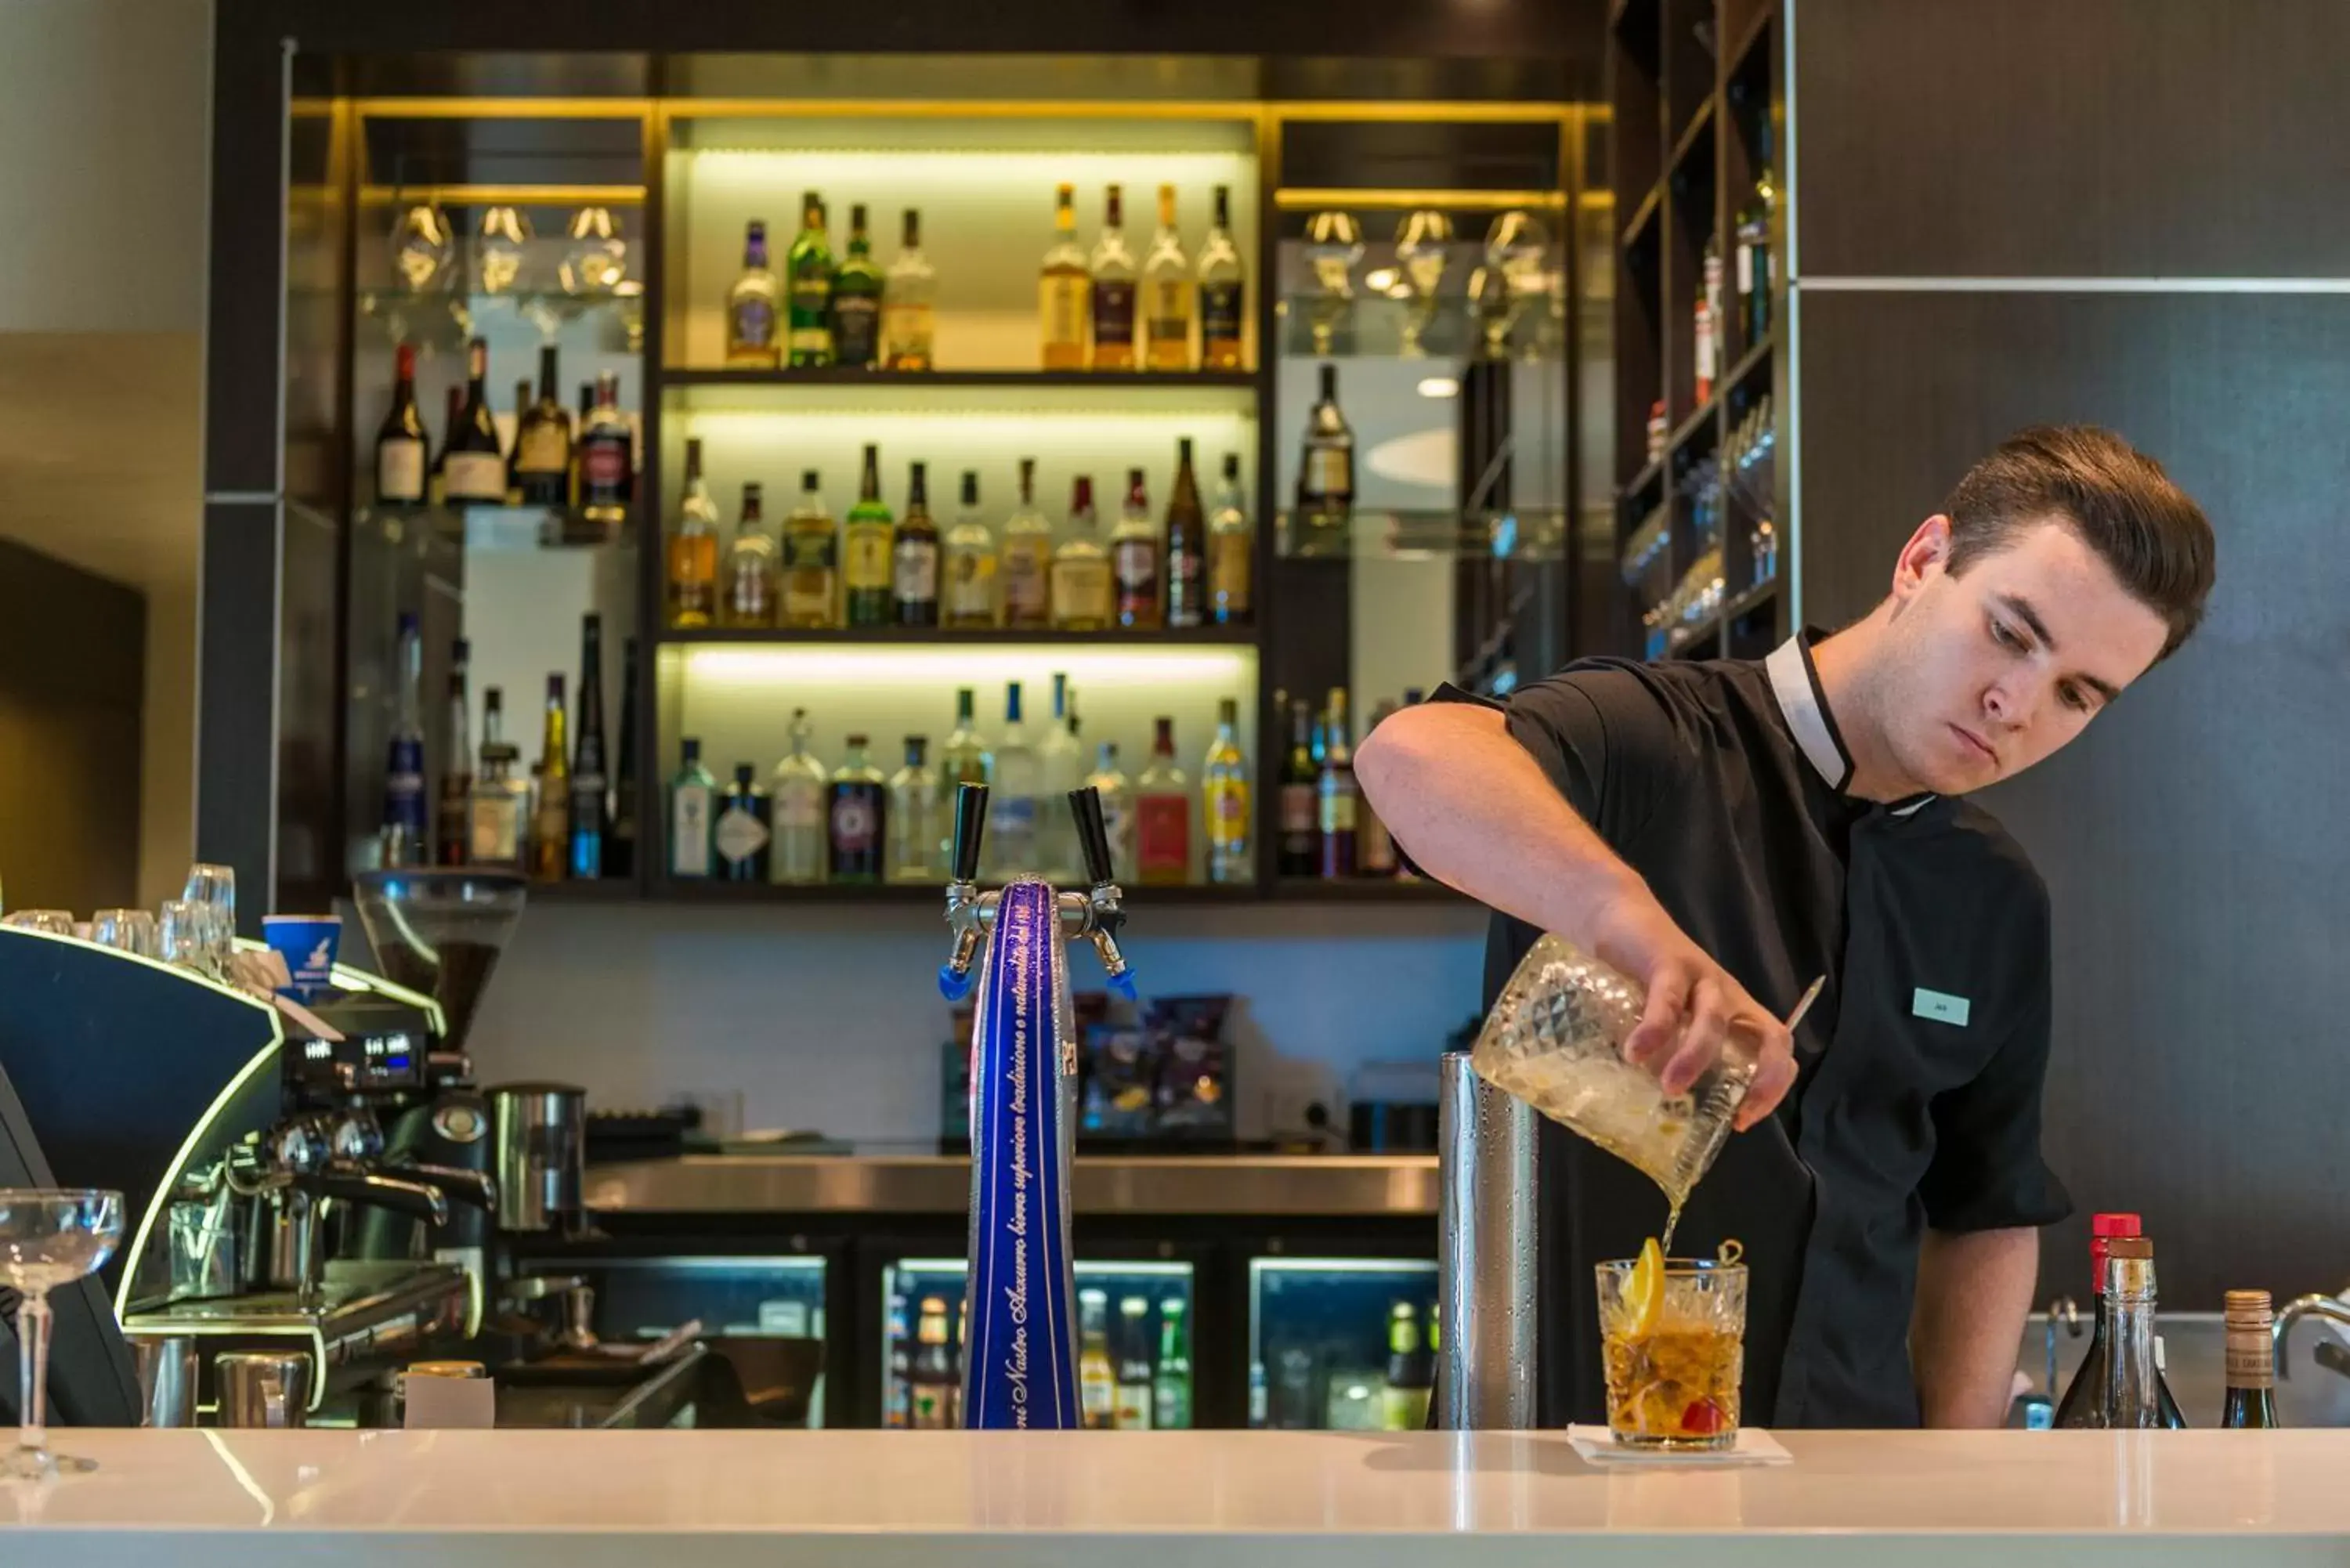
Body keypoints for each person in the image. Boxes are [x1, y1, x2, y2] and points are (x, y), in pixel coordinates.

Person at [1357, 425, 2216, 1429]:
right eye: (2009, 632)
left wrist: (1961, 1482)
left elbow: (1984, 1211)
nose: (2013, 702)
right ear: (1924, 559)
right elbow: (1410, 758)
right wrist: (1628, 920)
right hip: (1566, 1472)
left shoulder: (1995, 895)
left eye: (2077, 694)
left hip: (1856, 1485)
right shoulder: (1657, 740)